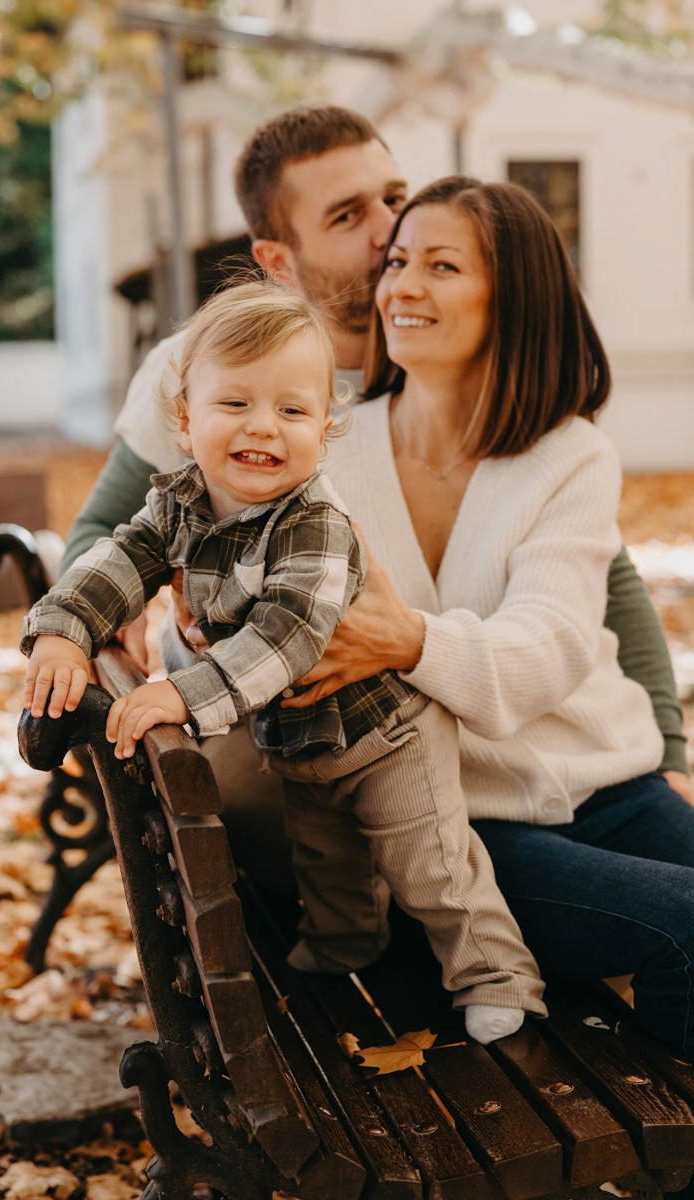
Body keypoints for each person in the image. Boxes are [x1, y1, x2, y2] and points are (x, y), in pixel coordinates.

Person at [60, 106, 690, 838]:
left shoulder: (481, 381)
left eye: (395, 196)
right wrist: (138, 612)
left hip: (498, 756)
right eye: (349, 215)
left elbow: (599, 583)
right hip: (309, 746)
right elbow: (109, 527)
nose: (391, 229)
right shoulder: (209, 367)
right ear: (278, 262)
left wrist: (670, 752)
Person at [20, 279, 547, 1045]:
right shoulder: (177, 505)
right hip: (298, 742)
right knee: (327, 867)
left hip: (388, 735)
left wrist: (184, 697)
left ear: (325, 428)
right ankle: (343, 950)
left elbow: (288, 636)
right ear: (185, 417)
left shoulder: (316, 525)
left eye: (293, 411)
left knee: (434, 869)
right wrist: (66, 628)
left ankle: (498, 977)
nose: (263, 428)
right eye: (235, 405)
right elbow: (118, 561)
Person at [277, 174, 693, 1060]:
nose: (403, 287)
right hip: (459, 824)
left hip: (612, 790)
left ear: (514, 295)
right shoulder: (327, 456)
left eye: (442, 265)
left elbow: (555, 645)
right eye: (398, 263)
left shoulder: (569, 454)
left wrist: (412, 641)